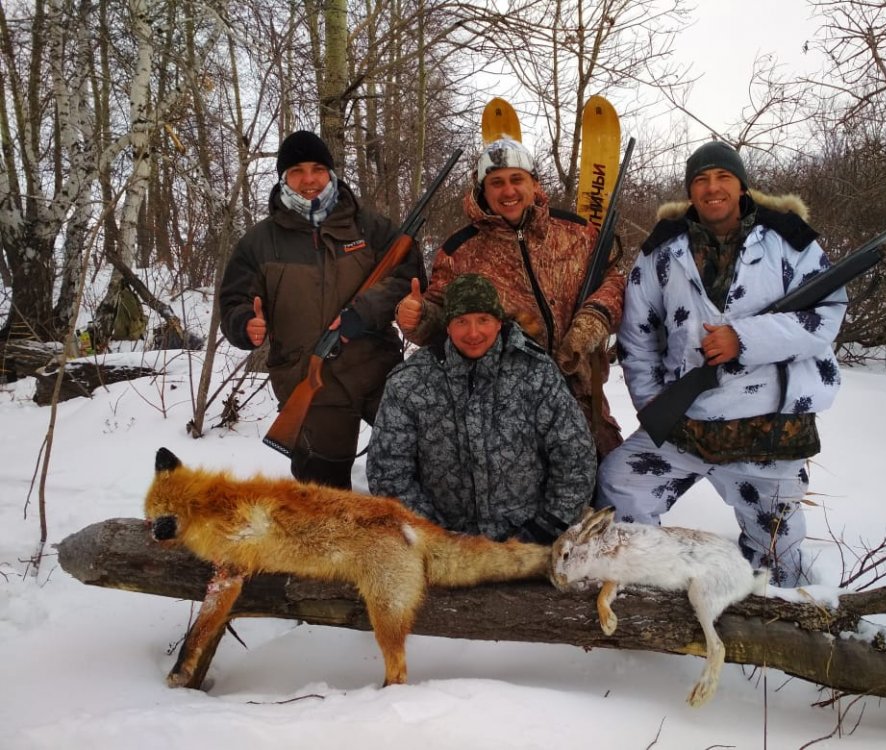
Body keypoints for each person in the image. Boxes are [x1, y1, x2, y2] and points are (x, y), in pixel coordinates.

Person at [596, 141, 847, 586]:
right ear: (690, 191)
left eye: (723, 178)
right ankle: (646, 589)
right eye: (701, 180)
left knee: (778, 558)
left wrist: (744, 340)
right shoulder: (661, 251)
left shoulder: (789, 241)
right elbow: (638, 337)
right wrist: (656, 404)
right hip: (686, 428)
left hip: (768, 432)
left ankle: (773, 630)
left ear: (741, 185)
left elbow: (826, 316)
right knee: (620, 486)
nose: (712, 188)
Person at [393, 136, 626, 458]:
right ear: (482, 190)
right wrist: (418, 317)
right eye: (496, 182)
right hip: (505, 407)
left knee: (606, 488)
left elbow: (615, 282)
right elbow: (441, 320)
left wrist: (591, 324)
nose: (508, 191)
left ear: (534, 183)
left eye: (517, 179)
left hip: (582, 394)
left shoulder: (577, 233)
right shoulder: (459, 250)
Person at [219, 130, 422, 489]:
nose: (309, 180)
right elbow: (234, 302)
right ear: (283, 178)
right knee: (323, 501)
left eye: (317, 168)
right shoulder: (259, 242)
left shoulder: (371, 228)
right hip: (307, 379)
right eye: (296, 171)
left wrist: (366, 310)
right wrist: (245, 324)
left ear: (331, 172)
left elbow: (409, 276)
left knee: (419, 460)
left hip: (379, 373)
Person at [367, 273, 596, 544]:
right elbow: (388, 472)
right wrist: (436, 536)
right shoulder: (409, 382)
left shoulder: (536, 372)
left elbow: (575, 456)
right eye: (461, 321)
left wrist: (544, 528)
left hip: (533, 544)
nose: (473, 333)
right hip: (442, 548)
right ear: (447, 326)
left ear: (499, 323)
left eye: (483, 320)